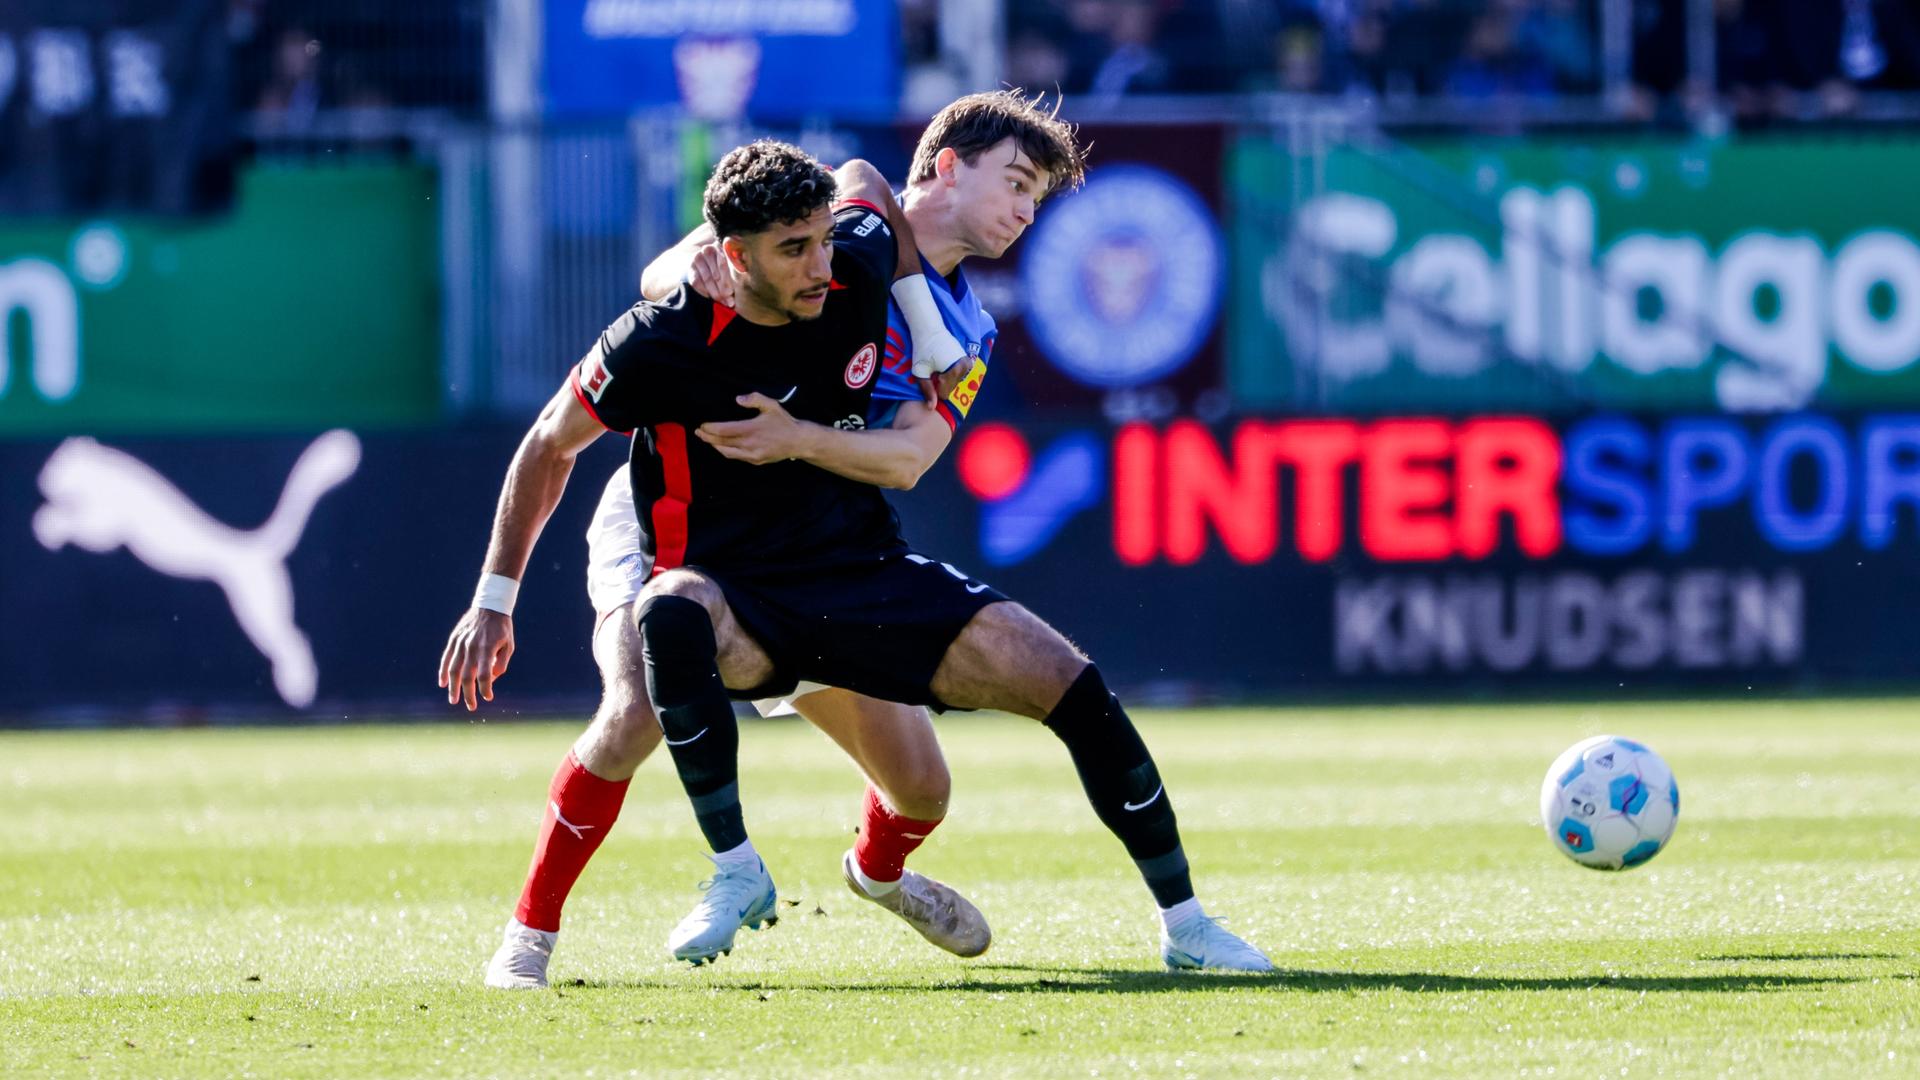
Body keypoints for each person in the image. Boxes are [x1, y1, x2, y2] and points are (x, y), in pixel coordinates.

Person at [465, 92, 1064, 990]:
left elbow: (906, 449)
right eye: (1016, 184)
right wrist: (493, 598)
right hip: (674, 531)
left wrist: (927, 334)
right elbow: (581, 399)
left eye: (1038, 197)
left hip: (799, 547)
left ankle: (879, 873)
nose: (1026, 211)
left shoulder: (944, 311)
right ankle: (529, 939)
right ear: (945, 171)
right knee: (636, 707)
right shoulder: (796, 262)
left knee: (923, 790)